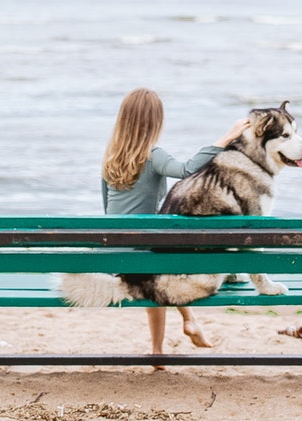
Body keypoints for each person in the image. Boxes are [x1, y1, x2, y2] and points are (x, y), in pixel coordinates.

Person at [101, 87, 249, 361]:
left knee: (154, 268)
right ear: (155, 122)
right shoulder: (153, 154)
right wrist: (228, 137)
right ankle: (189, 321)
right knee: (162, 263)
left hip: (112, 257)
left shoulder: (110, 157)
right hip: (142, 257)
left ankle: (159, 350)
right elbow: (187, 170)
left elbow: (107, 207)